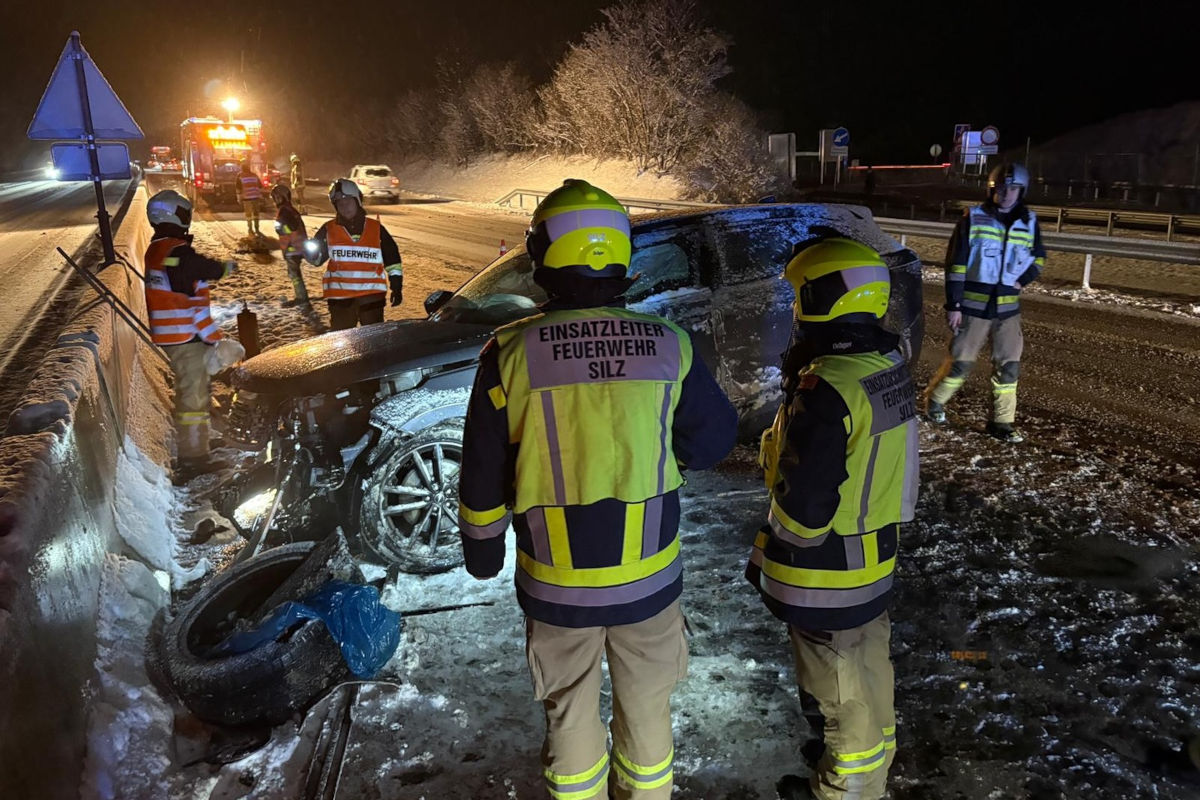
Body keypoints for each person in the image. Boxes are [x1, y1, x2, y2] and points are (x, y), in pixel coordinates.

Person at [457, 179, 738, 800]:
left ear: (542, 257)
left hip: (557, 585)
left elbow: (480, 471)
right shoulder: (670, 345)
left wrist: (483, 550)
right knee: (647, 712)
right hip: (650, 580)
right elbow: (715, 441)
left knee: (570, 714)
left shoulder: (508, 353)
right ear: (620, 256)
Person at [746, 237, 918, 800]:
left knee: (839, 702)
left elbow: (803, 510)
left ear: (823, 298)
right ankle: (867, 775)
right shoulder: (886, 367)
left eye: (800, 296)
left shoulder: (827, 385)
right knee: (870, 678)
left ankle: (844, 789)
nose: (795, 309)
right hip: (872, 564)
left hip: (824, 578)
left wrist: (774, 550)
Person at [924, 161, 1045, 443]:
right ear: (993, 189)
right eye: (1002, 188)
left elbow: (1038, 258)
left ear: (1021, 191)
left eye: (1014, 189)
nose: (1007, 194)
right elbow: (956, 264)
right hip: (973, 307)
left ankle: (1002, 423)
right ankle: (935, 401)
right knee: (961, 364)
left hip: (1008, 309)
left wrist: (1022, 280)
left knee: (1009, 367)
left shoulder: (1029, 221)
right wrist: (953, 305)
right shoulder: (973, 218)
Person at [143, 189, 236, 479]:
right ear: (175, 214)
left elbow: (181, 273)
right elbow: (195, 270)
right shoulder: (176, 251)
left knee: (198, 391)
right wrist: (224, 268)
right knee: (193, 399)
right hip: (184, 334)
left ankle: (201, 441)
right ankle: (194, 458)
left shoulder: (160, 249)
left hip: (175, 334)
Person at [303, 178, 403, 330]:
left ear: (357, 200)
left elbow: (392, 259)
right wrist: (310, 252)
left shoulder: (375, 228)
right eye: (339, 203)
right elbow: (317, 260)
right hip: (341, 302)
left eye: (348, 201)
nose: (344, 207)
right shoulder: (328, 229)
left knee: (372, 343)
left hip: (371, 299)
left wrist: (396, 285)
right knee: (342, 346)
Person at [271, 183, 310, 305]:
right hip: (297, 246)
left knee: (294, 274)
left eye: (275, 197)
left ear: (280, 197)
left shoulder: (284, 211)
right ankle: (301, 295)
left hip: (292, 248)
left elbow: (290, 228)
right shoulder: (290, 209)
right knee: (295, 272)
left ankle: (301, 297)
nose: (274, 200)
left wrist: (281, 229)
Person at [237, 161, 263, 236]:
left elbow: (238, 189)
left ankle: (250, 229)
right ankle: (257, 228)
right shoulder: (254, 175)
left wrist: (239, 199)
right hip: (256, 197)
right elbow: (260, 186)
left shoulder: (240, 176)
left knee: (248, 215)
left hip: (247, 198)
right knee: (256, 214)